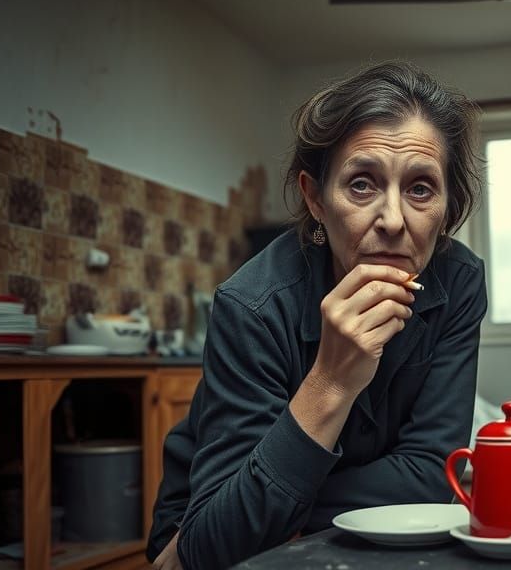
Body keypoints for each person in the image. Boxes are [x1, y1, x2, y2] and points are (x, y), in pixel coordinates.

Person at [147, 61, 487, 570]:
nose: (393, 220)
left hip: (352, 537)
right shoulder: (253, 306)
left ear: (447, 209)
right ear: (316, 199)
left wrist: (280, 502)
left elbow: (431, 475)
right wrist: (330, 381)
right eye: (361, 184)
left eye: (420, 189)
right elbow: (209, 545)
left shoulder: (458, 282)